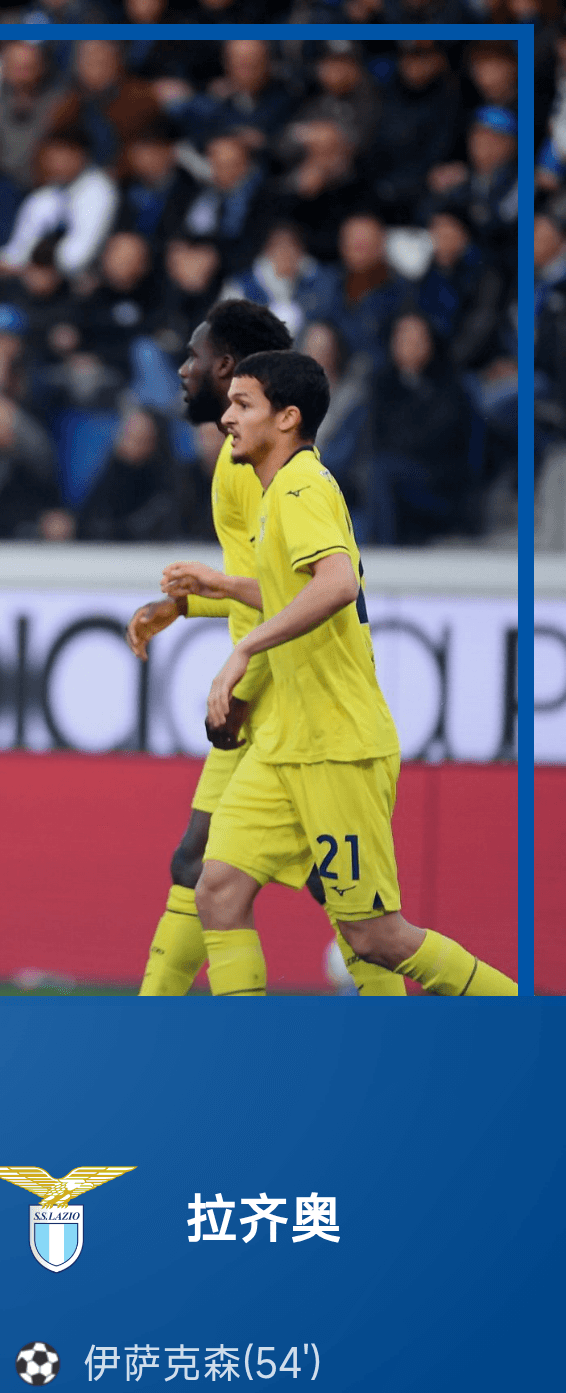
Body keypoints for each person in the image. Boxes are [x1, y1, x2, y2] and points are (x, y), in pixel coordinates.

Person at [163, 351, 515, 997]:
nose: (227, 417)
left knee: (375, 937)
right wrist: (223, 586)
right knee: (216, 890)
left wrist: (243, 651)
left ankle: (525, 1023)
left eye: (243, 404)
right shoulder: (282, 491)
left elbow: (338, 583)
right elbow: (296, 590)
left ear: (287, 417)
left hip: (337, 747)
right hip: (285, 745)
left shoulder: (299, 488)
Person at [126, 300, 402, 996]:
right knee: (205, 869)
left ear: (227, 367)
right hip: (270, 690)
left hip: (285, 699)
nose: (183, 370)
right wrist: (188, 603)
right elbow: (272, 583)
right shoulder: (244, 459)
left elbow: (301, 590)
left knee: (345, 905)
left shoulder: (261, 468)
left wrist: (241, 683)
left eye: (195, 356)